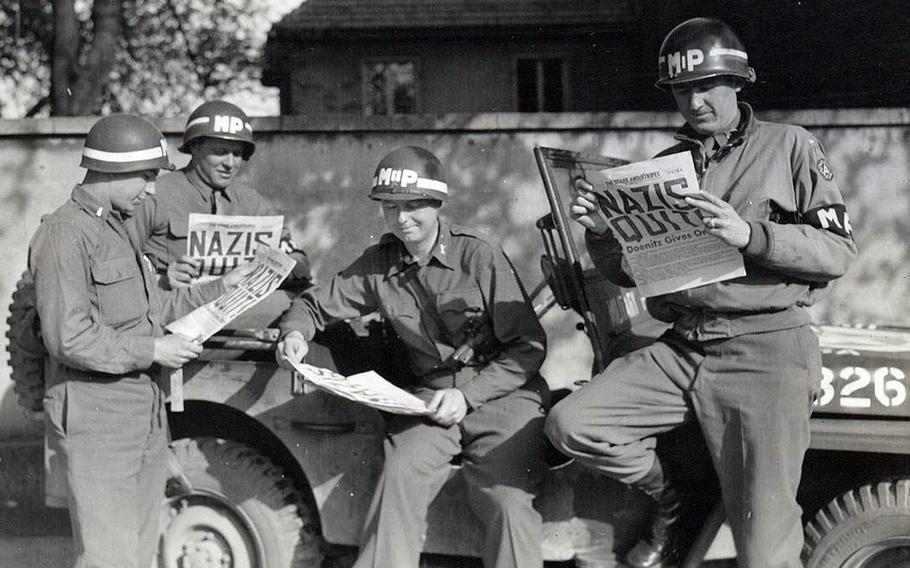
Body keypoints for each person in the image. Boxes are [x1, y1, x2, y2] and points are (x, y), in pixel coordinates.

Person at [545, 17, 857, 568]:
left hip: (765, 350)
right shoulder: (665, 167)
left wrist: (751, 235)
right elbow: (633, 271)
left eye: (707, 85)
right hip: (684, 345)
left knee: (763, 549)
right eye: (683, 90)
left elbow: (837, 252)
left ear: (738, 84)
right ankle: (677, 495)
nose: (695, 101)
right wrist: (601, 234)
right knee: (574, 422)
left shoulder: (791, 147)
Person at [276, 146, 550, 568]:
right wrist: (294, 335)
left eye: (413, 206)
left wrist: (470, 396)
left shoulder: (478, 256)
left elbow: (528, 347)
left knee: (508, 504)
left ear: (437, 203)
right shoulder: (378, 266)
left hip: (503, 398)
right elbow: (314, 306)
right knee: (399, 477)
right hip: (430, 403)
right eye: (390, 208)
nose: (402, 219)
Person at [29, 114, 249, 568]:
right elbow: (67, 337)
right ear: (114, 169)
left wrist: (224, 287)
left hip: (141, 409)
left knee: (141, 550)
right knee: (109, 556)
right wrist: (154, 351)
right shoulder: (64, 233)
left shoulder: (116, 230)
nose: (151, 191)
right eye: (147, 177)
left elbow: (153, 312)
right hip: (98, 413)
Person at [129, 99, 311, 291]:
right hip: (176, 308)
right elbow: (117, 262)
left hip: (242, 308)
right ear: (194, 147)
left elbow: (297, 259)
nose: (230, 163)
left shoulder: (252, 202)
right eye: (220, 152)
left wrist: (286, 264)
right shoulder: (155, 194)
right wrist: (161, 279)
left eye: (237, 153)